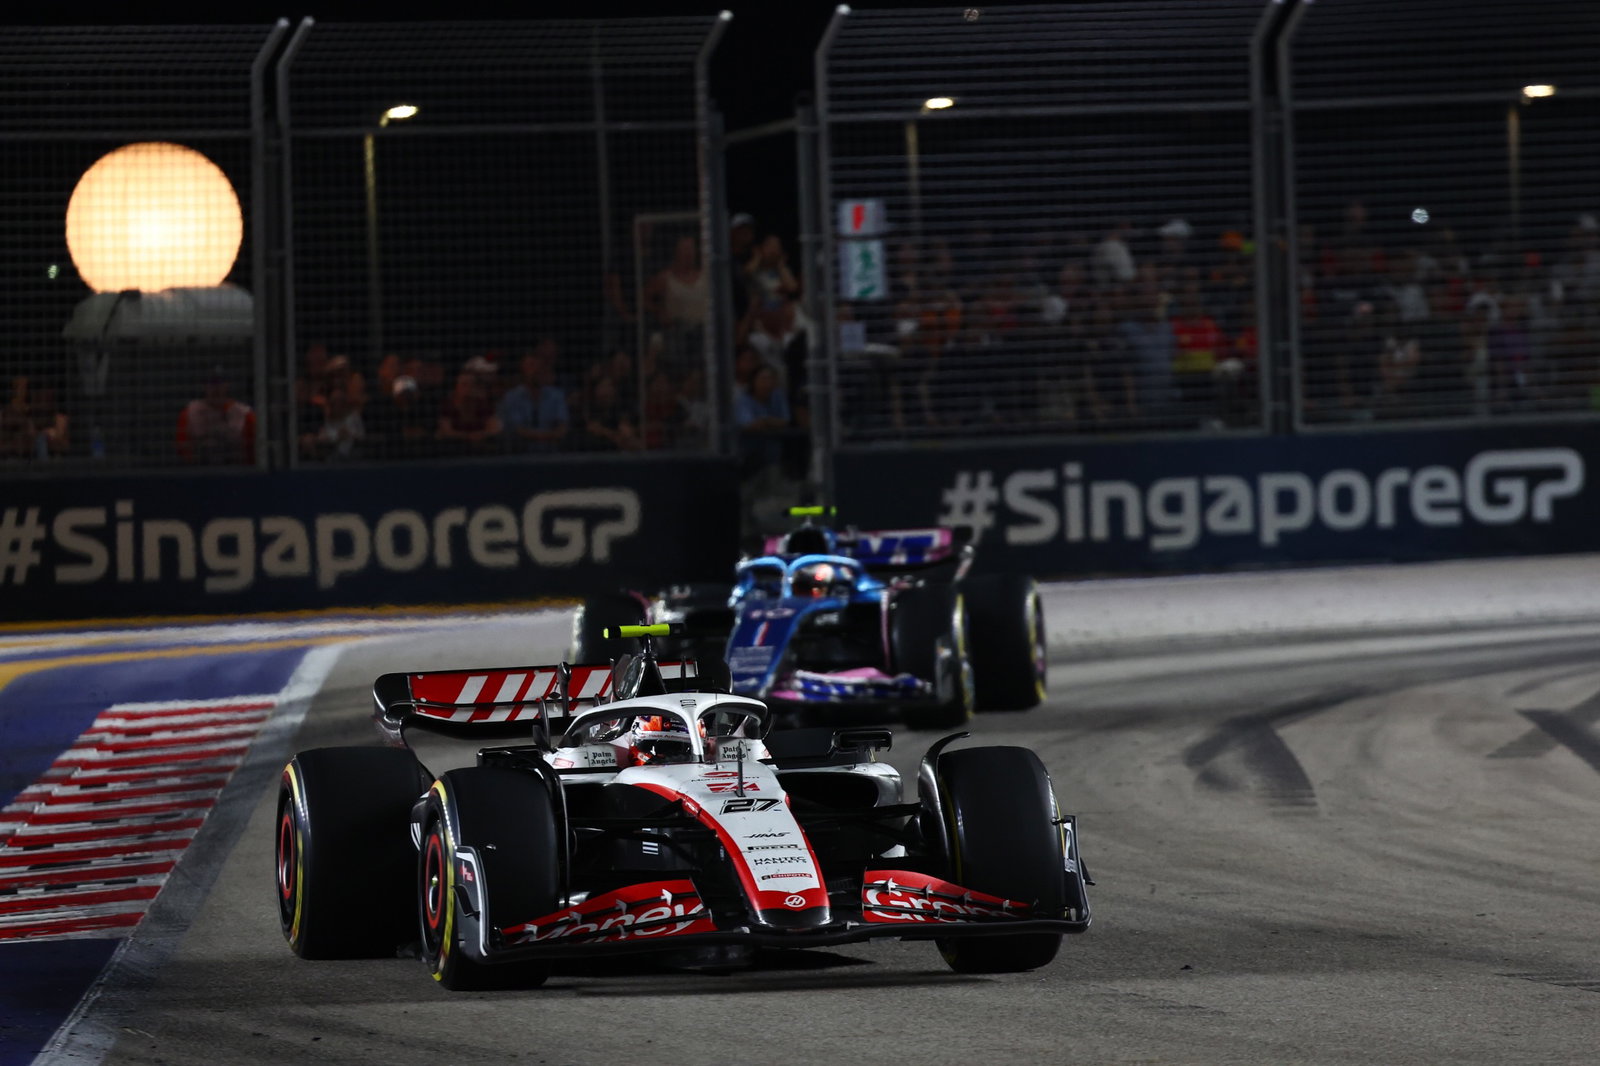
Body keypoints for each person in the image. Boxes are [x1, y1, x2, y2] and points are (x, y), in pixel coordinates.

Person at [498, 342, 569, 453]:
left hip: (552, 456)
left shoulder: (556, 396)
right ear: (523, 370)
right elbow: (516, 430)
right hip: (519, 456)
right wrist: (550, 435)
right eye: (531, 366)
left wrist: (539, 435)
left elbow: (562, 429)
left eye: (538, 366)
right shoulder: (512, 398)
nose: (535, 371)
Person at [176, 370, 255, 465]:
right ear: (204, 386)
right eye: (211, 383)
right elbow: (182, 447)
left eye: (220, 382)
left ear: (227, 385)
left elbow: (252, 449)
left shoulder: (244, 414)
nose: (215, 387)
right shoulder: (190, 413)